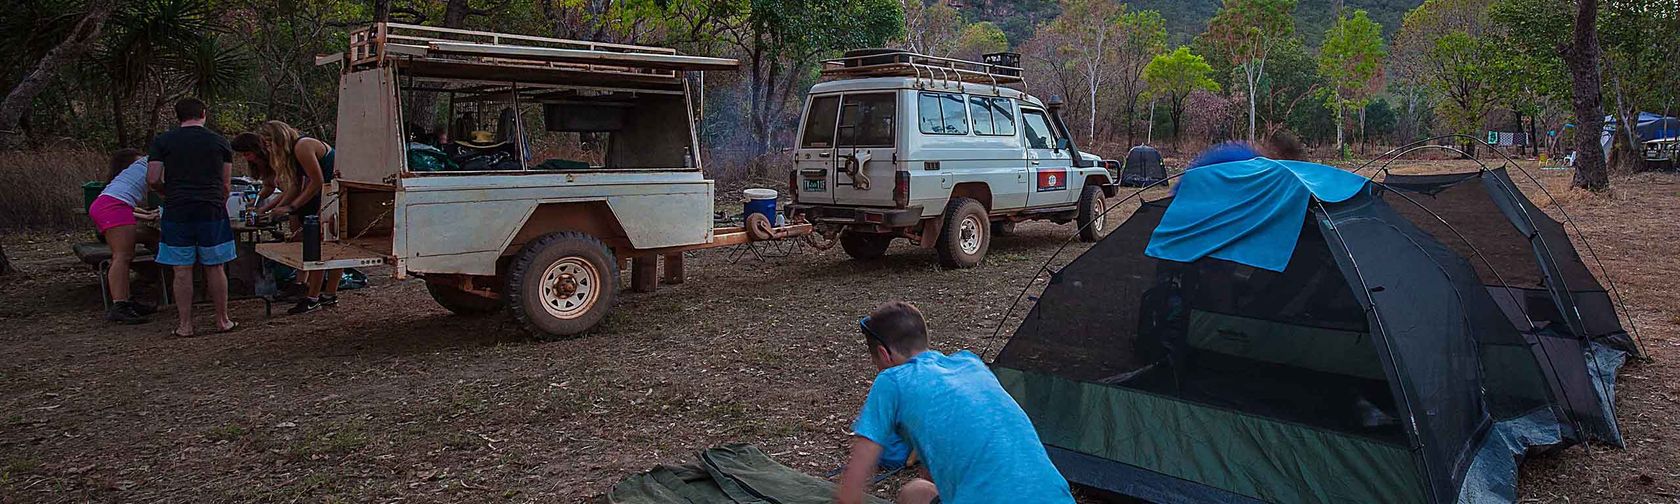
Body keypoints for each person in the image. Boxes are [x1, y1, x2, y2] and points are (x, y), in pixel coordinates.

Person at [836, 301, 1074, 504]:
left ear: (885, 354)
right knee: (917, 491)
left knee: (913, 493)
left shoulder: (893, 380)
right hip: (1057, 497)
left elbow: (854, 481)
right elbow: (939, 462)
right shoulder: (970, 364)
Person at [147, 97, 237, 337]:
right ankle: (222, 319)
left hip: (177, 209)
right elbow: (226, 183)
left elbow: (153, 178)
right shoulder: (219, 142)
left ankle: (185, 325)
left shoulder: (163, 141)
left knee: (182, 268)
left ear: (178, 116)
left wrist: (168, 193)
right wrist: (219, 200)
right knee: (215, 265)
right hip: (211, 208)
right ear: (203, 113)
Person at [255, 120, 341, 315]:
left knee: (322, 247)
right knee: (323, 246)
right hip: (323, 195)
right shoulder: (292, 154)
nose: (268, 148)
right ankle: (323, 294)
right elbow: (295, 185)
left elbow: (317, 181)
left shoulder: (302, 146)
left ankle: (315, 297)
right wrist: (277, 208)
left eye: (269, 144)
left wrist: (292, 206)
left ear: (279, 138)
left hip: (330, 195)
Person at [91, 148, 161, 324]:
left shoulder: (147, 162)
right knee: (122, 256)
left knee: (125, 256)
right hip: (114, 208)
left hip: (112, 205)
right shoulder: (157, 163)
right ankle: (119, 305)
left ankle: (127, 301)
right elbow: (159, 185)